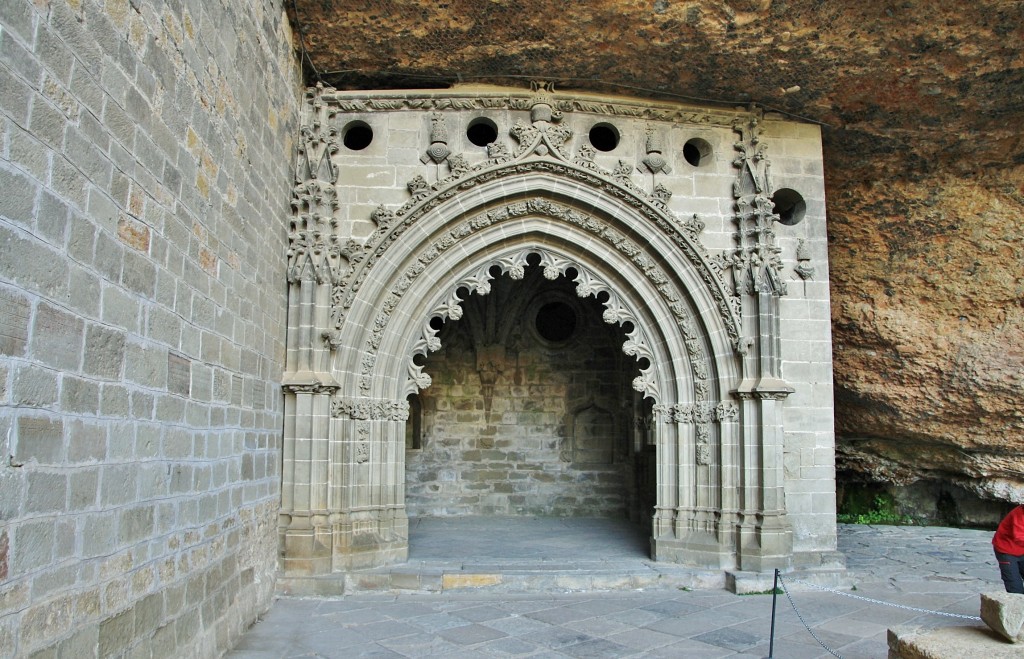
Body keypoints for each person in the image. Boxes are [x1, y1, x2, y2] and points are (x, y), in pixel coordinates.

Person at [993, 504, 1024, 594]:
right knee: (1015, 588)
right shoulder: (1019, 514)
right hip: (1006, 551)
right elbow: (1019, 537)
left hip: (1021, 550)